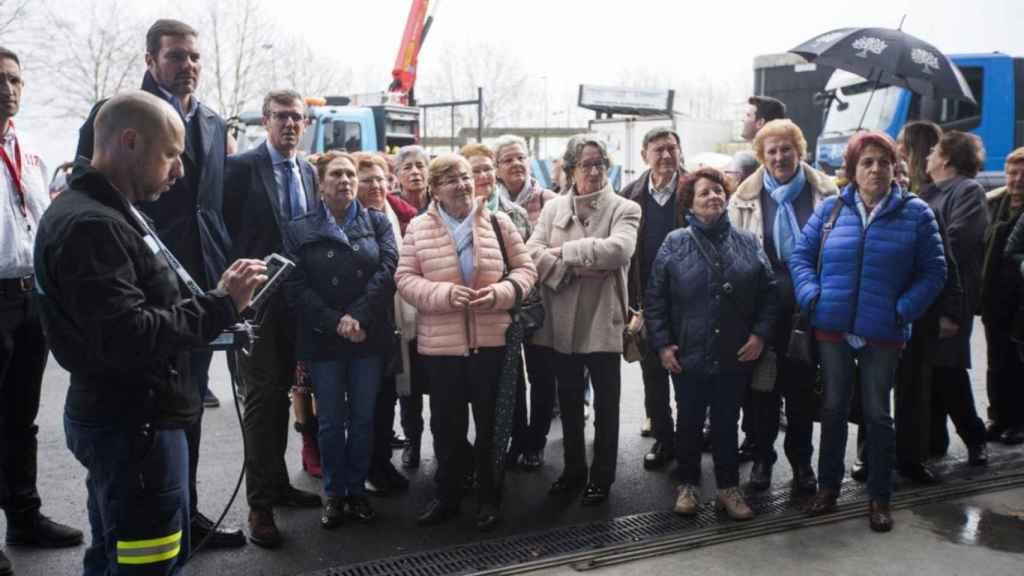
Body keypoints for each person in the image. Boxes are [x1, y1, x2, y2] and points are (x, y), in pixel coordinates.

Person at [35, 90, 266, 575]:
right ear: (130, 141)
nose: (180, 171)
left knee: (113, 554)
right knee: (149, 564)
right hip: (135, 425)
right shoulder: (91, 225)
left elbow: (144, 305)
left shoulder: (108, 208)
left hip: (132, 420)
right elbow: (131, 335)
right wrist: (222, 305)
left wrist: (215, 299)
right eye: (170, 155)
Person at [74, 19, 246, 550]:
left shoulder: (216, 123)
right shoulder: (118, 113)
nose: (187, 65)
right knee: (136, 420)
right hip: (142, 285)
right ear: (151, 61)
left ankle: (183, 514)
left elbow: (216, 207)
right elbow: (96, 189)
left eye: (194, 57)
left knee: (186, 405)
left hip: (201, 287)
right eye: (175, 57)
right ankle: (125, 526)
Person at [790, 131, 946, 532]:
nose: (876, 169)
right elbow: (801, 257)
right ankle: (827, 489)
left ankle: (879, 497)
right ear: (853, 170)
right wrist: (812, 297)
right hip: (833, 329)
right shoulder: (830, 211)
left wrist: (903, 310)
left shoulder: (916, 213)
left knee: (878, 415)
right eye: (867, 162)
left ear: (896, 167)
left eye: (883, 161)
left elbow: (934, 272)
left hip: (884, 332)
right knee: (833, 410)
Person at [395, 154, 537, 531]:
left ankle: (490, 498)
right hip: (441, 348)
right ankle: (448, 496)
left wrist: (503, 293)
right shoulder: (418, 228)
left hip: (491, 342)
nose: (462, 185)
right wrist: (441, 294)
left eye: (466, 177)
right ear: (435, 189)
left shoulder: (497, 221)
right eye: (451, 180)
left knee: (490, 426)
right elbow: (405, 278)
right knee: (447, 428)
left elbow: (526, 270)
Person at [646, 167, 778, 520]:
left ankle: (728, 487)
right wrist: (662, 345)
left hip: (734, 352)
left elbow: (769, 295)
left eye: (719, 190)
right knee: (687, 422)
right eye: (704, 192)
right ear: (690, 201)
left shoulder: (748, 242)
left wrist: (759, 335)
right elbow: (655, 299)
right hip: (687, 353)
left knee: (725, 422)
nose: (714, 196)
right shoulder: (675, 243)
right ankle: (688, 484)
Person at [222, 89, 323, 548]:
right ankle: (260, 506)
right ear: (265, 121)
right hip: (257, 308)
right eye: (281, 116)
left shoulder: (308, 170)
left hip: (298, 304)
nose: (289, 124)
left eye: (297, 117)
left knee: (285, 393)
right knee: (262, 401)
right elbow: (220, 229)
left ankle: (279, 485)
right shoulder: (241, 169)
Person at [0, 46, 82, 576]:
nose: (10, 89)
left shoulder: (28, 149)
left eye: (15, 80)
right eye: (0, 79)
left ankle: (24, 518)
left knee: (19, 417)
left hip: (30, 296)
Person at [285, 151, 398, 529]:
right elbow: (295, 286)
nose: (346, 180)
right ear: (321, 183)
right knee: (331, 422)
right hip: (324, 338)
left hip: (366, 335)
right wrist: (337, 322)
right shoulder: (298, 228)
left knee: (364, 419)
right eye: (337, 174)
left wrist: (358, 316)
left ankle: (357, 490)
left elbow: (387, 270)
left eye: (351, 174)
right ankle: (334, 493)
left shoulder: (377, 222)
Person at [527, 137, 641, 505]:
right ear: (571, 169)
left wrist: (561, 252)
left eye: (600, 164)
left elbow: (618, 250)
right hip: (560, 321)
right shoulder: (552, 208)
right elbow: (530, 254)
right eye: (586, 164)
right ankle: (573, 470)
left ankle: (602, 477)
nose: (594, 171)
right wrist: (572, 270)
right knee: (570, 404)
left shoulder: (625, 208)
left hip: (603, 318)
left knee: (607, 405)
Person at [728, 119, 837, 494]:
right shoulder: (742, 198)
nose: (779, 157)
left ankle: (802, 463)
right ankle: (761, 461)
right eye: (771, 151)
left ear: (799, 150)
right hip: (762, 313)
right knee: (762, 393)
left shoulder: (826, 192)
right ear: (761, 156)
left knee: (802, 393)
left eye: (785, 149)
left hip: (809, 310)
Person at [462, 142, 558, 470]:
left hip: (528, 306)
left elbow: (532, 260)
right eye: (477, 170)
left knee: (542, 376)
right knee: (511, 382)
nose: (484, 175)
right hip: (491, 314)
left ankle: (535, 442)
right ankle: (513, 442)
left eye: (487, 168)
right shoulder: (459, 216)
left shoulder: (516, 213)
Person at [619, 127, 688, 471]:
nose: (665, 156)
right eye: (658, 150)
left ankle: (690, 438)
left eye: (671, 149)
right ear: (645, 154)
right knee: (653, 375)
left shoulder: (694, 188)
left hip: (691, 301)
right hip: (647, 303)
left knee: (688, 373)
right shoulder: (629, 195)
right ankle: (664, 438)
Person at [922, 131, 990, 465]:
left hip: (952, 296)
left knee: (948, 368)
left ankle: (975, 437)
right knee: (932, 369)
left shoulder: (968, 191)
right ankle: (934, 441)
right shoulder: (930, 192)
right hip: (929, 296)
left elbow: (957, 240)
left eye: (934, 151)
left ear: (947, 158)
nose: (928, 156)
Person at [351, 152, 416, 496]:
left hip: (394, 320)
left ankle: (380, 464)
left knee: (386, 396)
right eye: (367, 180)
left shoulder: (397, 216)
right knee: (366, 401)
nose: (376, 185)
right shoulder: (352, 220)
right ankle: (367, 468)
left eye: (381, 179)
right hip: (365, 320)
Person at [982, 147, 1024, 445]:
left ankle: (1019, 422)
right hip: (994, 295)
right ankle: (998, 416)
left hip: (1021, 298)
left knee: (1018, 361)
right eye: (1012, 172)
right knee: (996, 359)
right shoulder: (993, 202)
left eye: (1023, 173)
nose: (1017, 179)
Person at [393, 144, 431, 469]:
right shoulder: (391, 209)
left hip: (437, 305)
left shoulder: (440, 204)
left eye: (421, 166)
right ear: (397, 176)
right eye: (408, 167)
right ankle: (413, 441)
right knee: (410, 382)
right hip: (405, 306)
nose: (415, 172)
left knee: (445, 381)